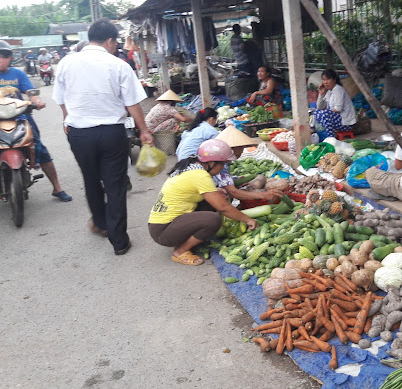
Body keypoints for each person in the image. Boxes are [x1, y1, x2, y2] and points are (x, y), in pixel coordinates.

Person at [52, 18, 154, 256]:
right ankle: (119, 241)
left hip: (79, 134)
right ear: (110, 40)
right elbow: (132, 104)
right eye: (115, 42)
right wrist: (144, 130)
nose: (115, 46)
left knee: (90, 179)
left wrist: (67, 120)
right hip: (111, 133)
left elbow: (61, 98)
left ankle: (100, 223)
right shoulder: (117, 64)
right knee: (115, 185)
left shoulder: (67, 62)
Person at [148, 139, 257, 266]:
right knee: (213, 220)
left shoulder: (191, 167)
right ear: (211, 162)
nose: (222, 168)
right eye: (222, 164)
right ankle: (180, 251)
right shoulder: (199, 175)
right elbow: (223, 207)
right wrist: (248, 220)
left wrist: (215, 191)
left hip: (167, 224)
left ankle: (188, 238)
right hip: (163, 231)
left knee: (214, 199)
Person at [0, 41, 72, 202]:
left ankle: (57, 187)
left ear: (10, 58)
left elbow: (31, 93)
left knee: (39, 148)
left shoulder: (18, 75)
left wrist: (36, 101)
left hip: (20, 118)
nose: (0, 59)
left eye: (4, 56)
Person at [176, 110, 281, 203]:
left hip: (184, 158)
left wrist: (235, 180)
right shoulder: (219, 162)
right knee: (225, 194)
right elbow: (232, 192)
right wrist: (263, 195)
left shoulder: (196, 130)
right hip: (189, 201)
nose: (242, 151)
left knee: (224, 188)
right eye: (242, 148)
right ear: (234, 148)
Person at [313, 69, 356, 139]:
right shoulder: (330, 92)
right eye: (323, 80)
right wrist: (321, 94)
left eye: (328, 79)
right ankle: (327, 134)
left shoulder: (338, 89)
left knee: (325, 114)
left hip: (345, 123)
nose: (325, 82)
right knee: (316, 112)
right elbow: (320, 107)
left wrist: (325, 113)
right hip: (337, 120)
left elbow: (338, 109)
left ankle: (331, 138)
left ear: (334, 80)